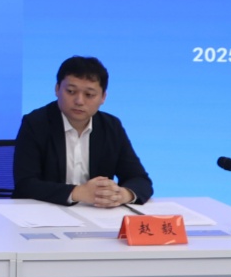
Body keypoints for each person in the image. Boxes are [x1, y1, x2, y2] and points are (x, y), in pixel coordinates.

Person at [12, 55, 152, 207]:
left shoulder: (111, 127)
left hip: (95, 213)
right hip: (45, 212)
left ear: (103, 97)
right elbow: (25, 184)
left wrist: (121, 195)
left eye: (89, 95)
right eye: (71, 91)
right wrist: (78, 193)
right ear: (57, 89)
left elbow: (140, 179)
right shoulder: (35, 123)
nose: (79, 101)